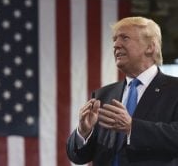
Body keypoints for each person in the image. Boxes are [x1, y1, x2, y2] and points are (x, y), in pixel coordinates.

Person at [66, 16, 178, 166]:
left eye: (124, 38)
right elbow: (78, 157)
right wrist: (83, 132)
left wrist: (132, 127)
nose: (116, 45)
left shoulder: (173, 90)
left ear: (150, 47)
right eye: (115, 39)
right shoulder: (102, 95)